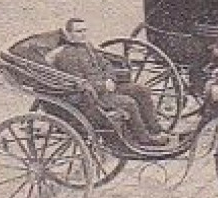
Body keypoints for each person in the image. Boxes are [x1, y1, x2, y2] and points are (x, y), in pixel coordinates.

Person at [48, 18, 173, 148]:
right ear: (69, 34)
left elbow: (106, 64)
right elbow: (78, 82)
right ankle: (143, 138)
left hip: (107, 87)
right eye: (79, 31)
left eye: (85, 30)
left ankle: (155, 129)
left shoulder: (87, 46)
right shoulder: (66, 55)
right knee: (129, 103)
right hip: (92, 97)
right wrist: (103, 85)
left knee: (142, 90)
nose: (83, 34)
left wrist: (110, 79)